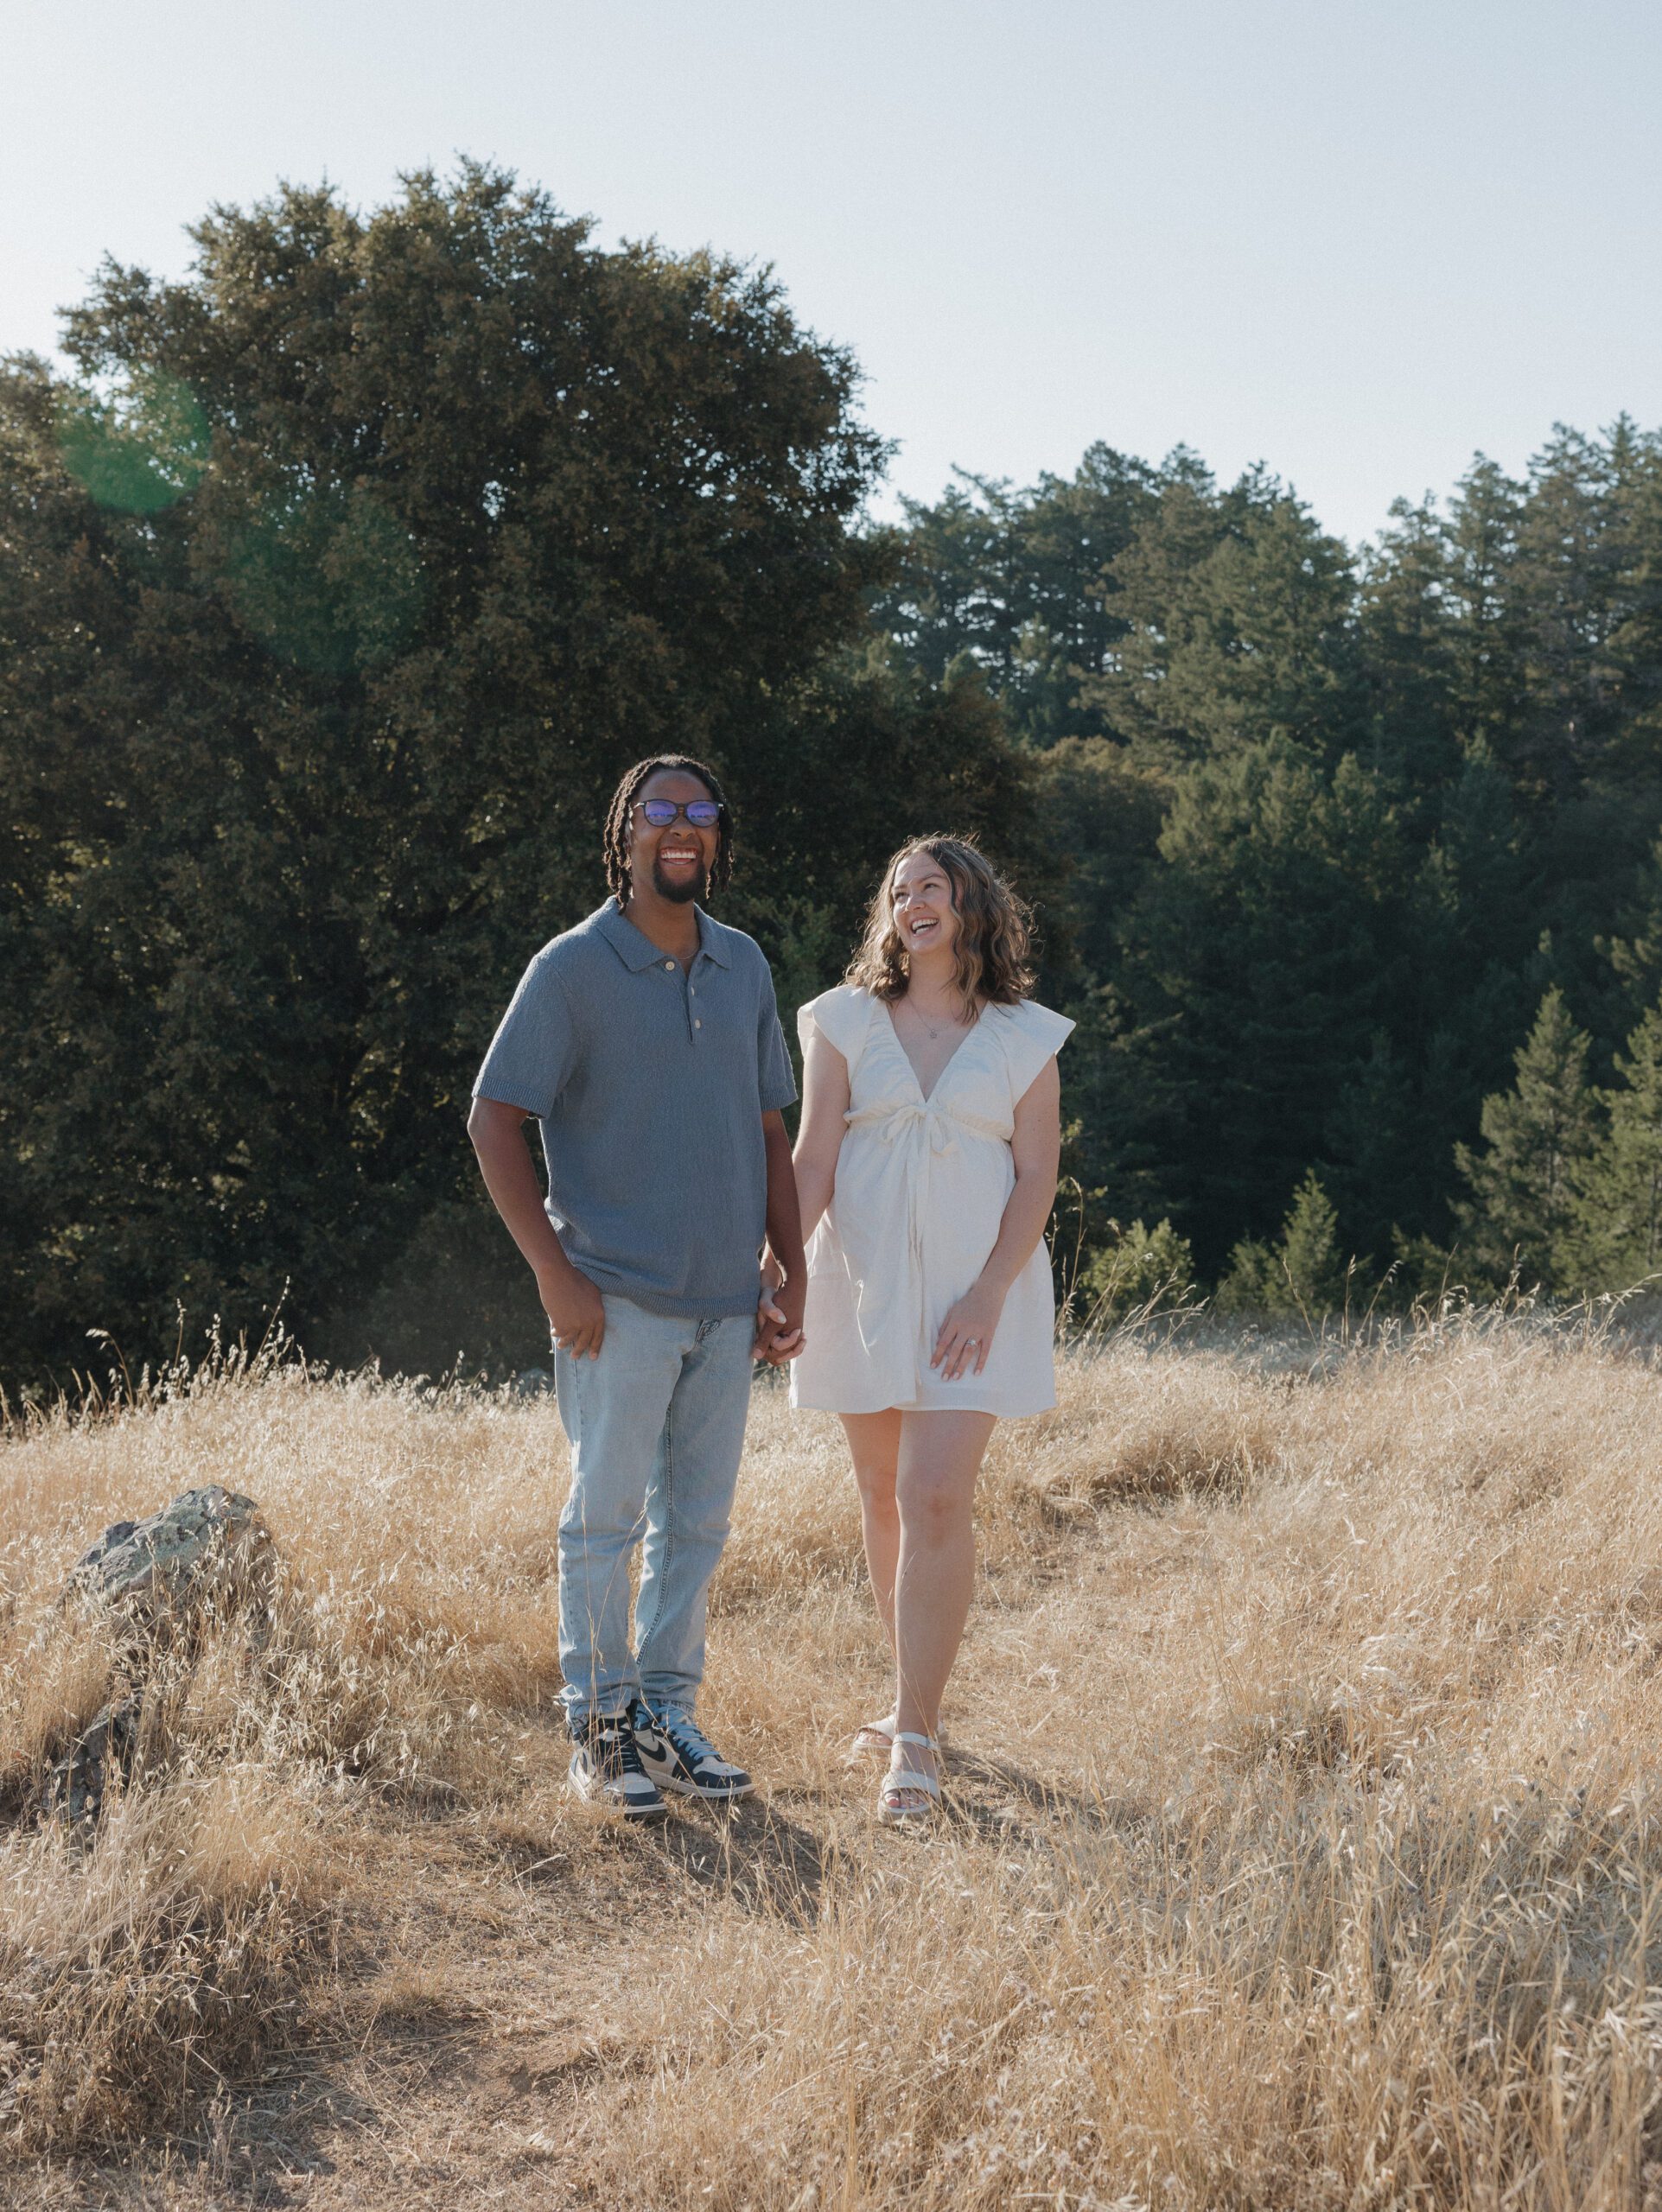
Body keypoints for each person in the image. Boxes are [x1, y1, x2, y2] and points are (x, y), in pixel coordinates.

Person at [468, 756, 806, 1822]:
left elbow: (769, 1130)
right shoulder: (573, 968)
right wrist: (555, 1275)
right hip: (614, 1300)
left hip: (724, 1304)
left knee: (697, 1526)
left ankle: (664, 1715)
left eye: (701, 812)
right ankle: (599, 1728)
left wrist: (784, 1266)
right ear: (622, 832)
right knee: (604, 1522)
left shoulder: (743, 965)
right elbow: (493, 1117)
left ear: (718, 837)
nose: (683, 828)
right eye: (660, 810)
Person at [783, 836, 1070, 1825]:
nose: (913, 902)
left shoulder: (1024, 1034)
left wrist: (989, 1291)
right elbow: (814, 1156)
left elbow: (1037, 1174)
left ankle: (915, 1737)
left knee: (934, 1492)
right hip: (858, 1284)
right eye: (898, 889)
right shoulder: (843, 1021)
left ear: (972, 904)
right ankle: (913, 1701)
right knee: (882, 1496)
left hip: (972, 1298)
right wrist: (781, 1260)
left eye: (932, 887)